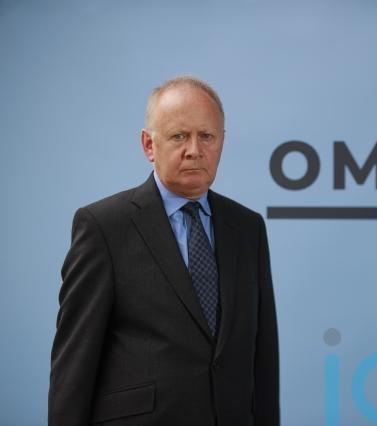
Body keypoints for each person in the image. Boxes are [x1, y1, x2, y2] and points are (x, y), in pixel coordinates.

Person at [48, 76, 279, 426]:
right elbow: (74, 366)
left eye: (206, 136)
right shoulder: (103, 227)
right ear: (148, 145)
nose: (194, 150)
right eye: (178, 136)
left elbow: (262, 361)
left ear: (222, 141)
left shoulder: (249, 228)